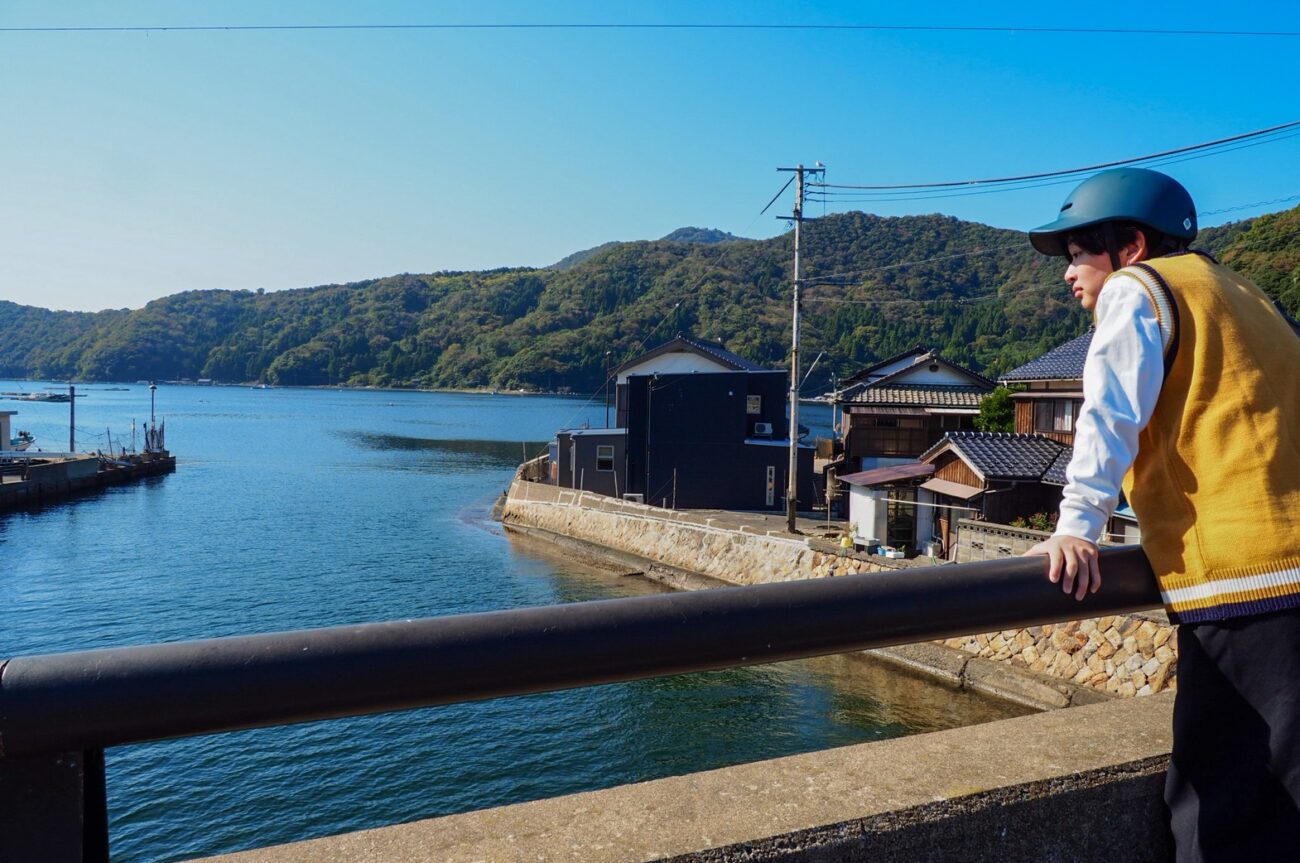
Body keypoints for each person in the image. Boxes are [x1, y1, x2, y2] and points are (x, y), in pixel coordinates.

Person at [1024, 167, 1300, 860]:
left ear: (1132, 246)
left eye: (1079, 253)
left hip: (1241, 582)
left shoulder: (1138, 290)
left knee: (1220, 798)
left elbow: (1110, 413)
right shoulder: (1248, 296)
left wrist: (1077, 527)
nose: (1069, 273)